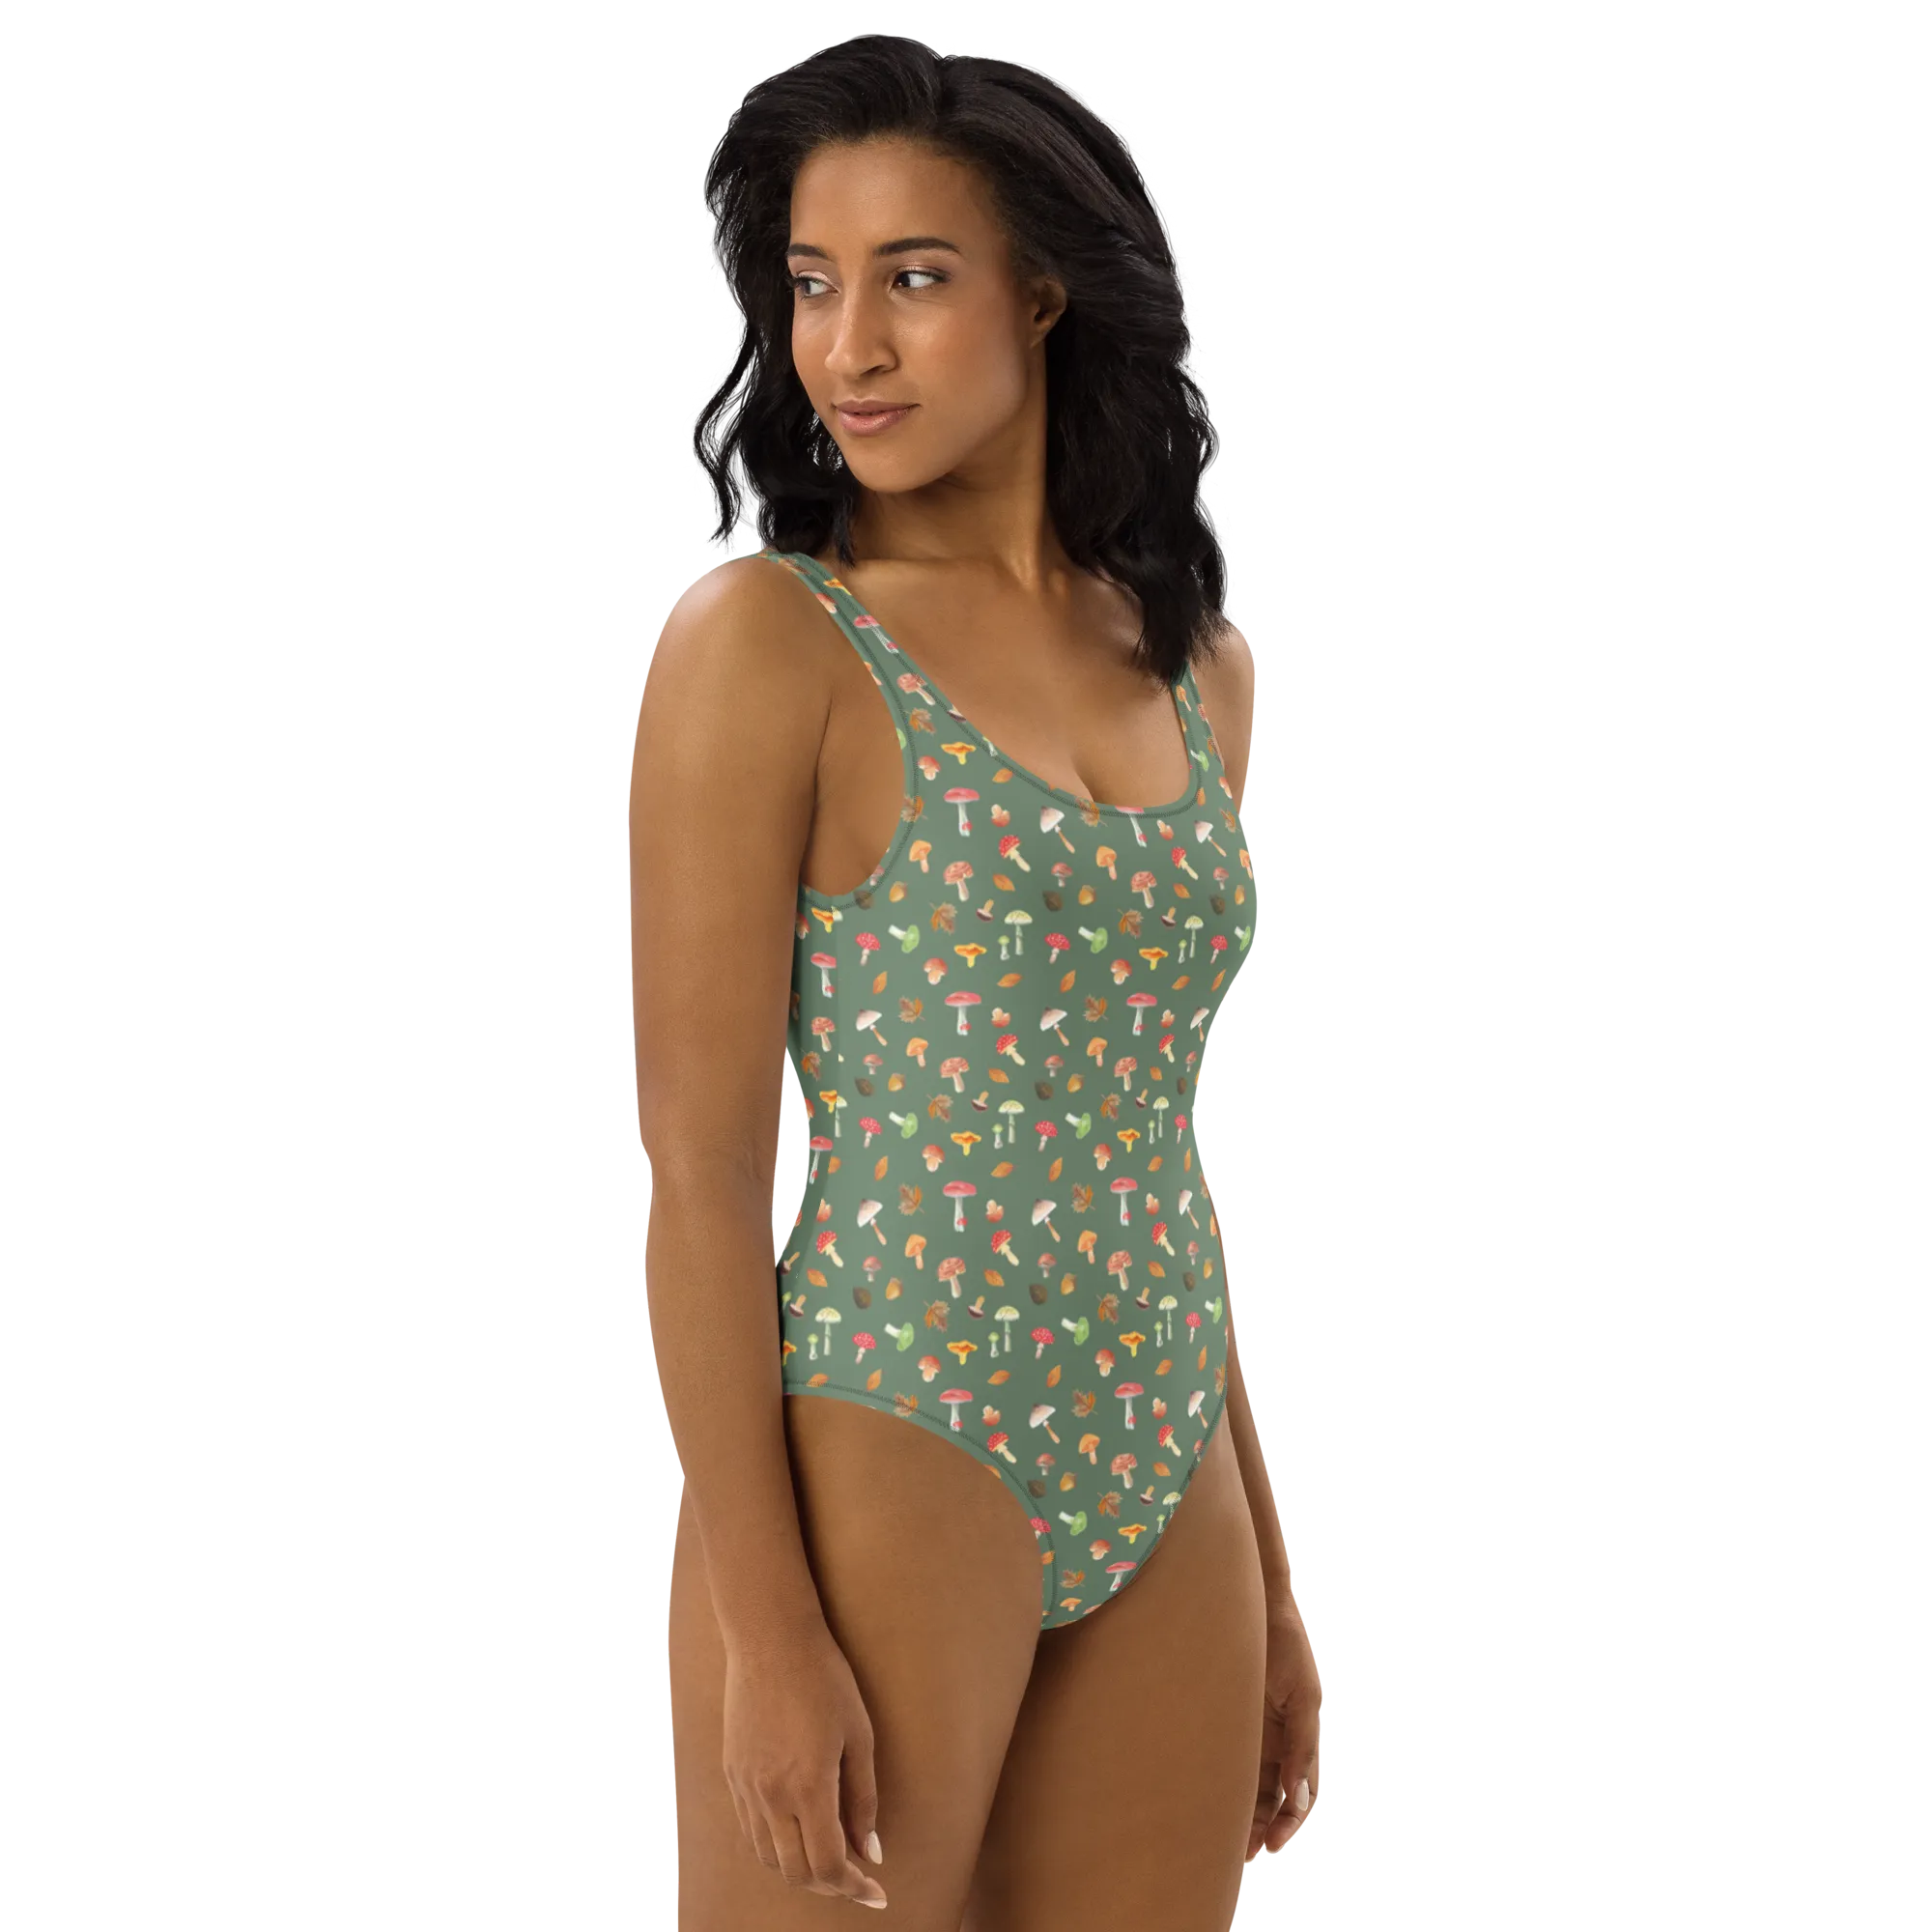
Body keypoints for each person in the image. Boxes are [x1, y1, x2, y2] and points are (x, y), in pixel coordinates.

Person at [634, 34, 1317, 1928]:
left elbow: (1156, 1135)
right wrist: (765, 1631)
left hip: (1169, 1455)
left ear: (1043, 293)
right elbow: (703, 1169)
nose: (847, 346)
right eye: (811, 282)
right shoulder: (769, 642)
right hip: (897, 1432)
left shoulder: (1204, 670)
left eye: (912, 278)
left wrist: (1269, 1573)